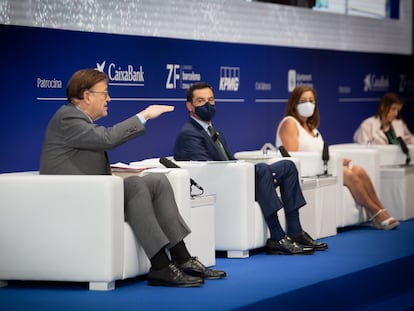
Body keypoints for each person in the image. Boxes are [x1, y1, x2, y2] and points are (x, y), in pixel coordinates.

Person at [39, 69, 226, 288]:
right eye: (104, 93)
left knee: (157, 181)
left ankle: (183, 258)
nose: (108, 98)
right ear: (87, 95)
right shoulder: (68, 117)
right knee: (135, 185)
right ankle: (160, 267)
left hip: (92, 191)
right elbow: (106, 139)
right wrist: (144, 116)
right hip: (73, 197)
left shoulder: (77, 118)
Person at [174, 82, 328, 255]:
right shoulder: (189, 133)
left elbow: (227, 161)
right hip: (222, 187)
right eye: (201, 101)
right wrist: (244, 171)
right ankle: (277, 236)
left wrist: (244, 170)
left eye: (211, 100)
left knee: (288, 165)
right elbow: (206, 170)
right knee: (262, 170)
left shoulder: (214, 131)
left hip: (235, 179)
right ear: (190, 105)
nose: (208, 105)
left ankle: (295, 231)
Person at [276, 85, 399, 230]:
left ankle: (382, 209)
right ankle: (376, 213)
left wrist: (337, 160)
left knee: (358, 170)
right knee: (348, 174)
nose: (308, 104)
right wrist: (330, 164)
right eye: (303, 101)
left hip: (319, 168)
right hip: (303, 171)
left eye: (311, 100)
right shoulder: (290, 123)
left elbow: (321, 152)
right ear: (294, 103)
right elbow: (293, 157)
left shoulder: (311, 127)